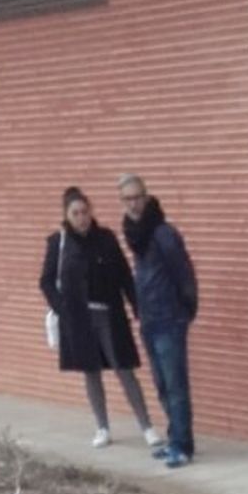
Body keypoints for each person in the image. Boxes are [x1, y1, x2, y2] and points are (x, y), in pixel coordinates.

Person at [39, 186, 161, 452]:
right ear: (67, 215)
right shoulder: (57, 243)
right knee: (91, 372)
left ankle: (147, 426)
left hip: (109, 314)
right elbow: (47, 281)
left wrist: (138, 308)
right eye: (76, 213)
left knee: (123, 368)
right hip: (80, 319)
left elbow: (124, 276)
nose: (82, 218)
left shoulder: (105, 238)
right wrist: (63, 310)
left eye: (85, 211)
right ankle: (102, 427)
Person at [118, 172, 199, 469]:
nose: (133, 204)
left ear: (147, 197)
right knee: (162, 384)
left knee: (176, 385)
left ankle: (183, 445)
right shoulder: (132, 231)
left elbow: (183, 272)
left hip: (169, 318)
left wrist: (186, 309)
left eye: (137, 197)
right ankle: (174, 437)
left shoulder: (163, 233)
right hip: (149, 319)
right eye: (127, 199)